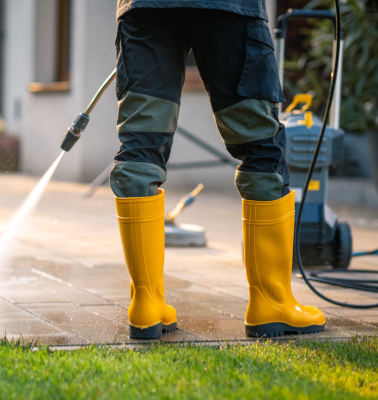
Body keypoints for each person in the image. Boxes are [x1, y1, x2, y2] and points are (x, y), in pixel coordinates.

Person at [111, 0, 326, 339]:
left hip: (145, 6)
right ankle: (271, 303)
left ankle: (145, 304)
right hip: (228, 7)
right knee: (259, 147)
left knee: (140, 148)